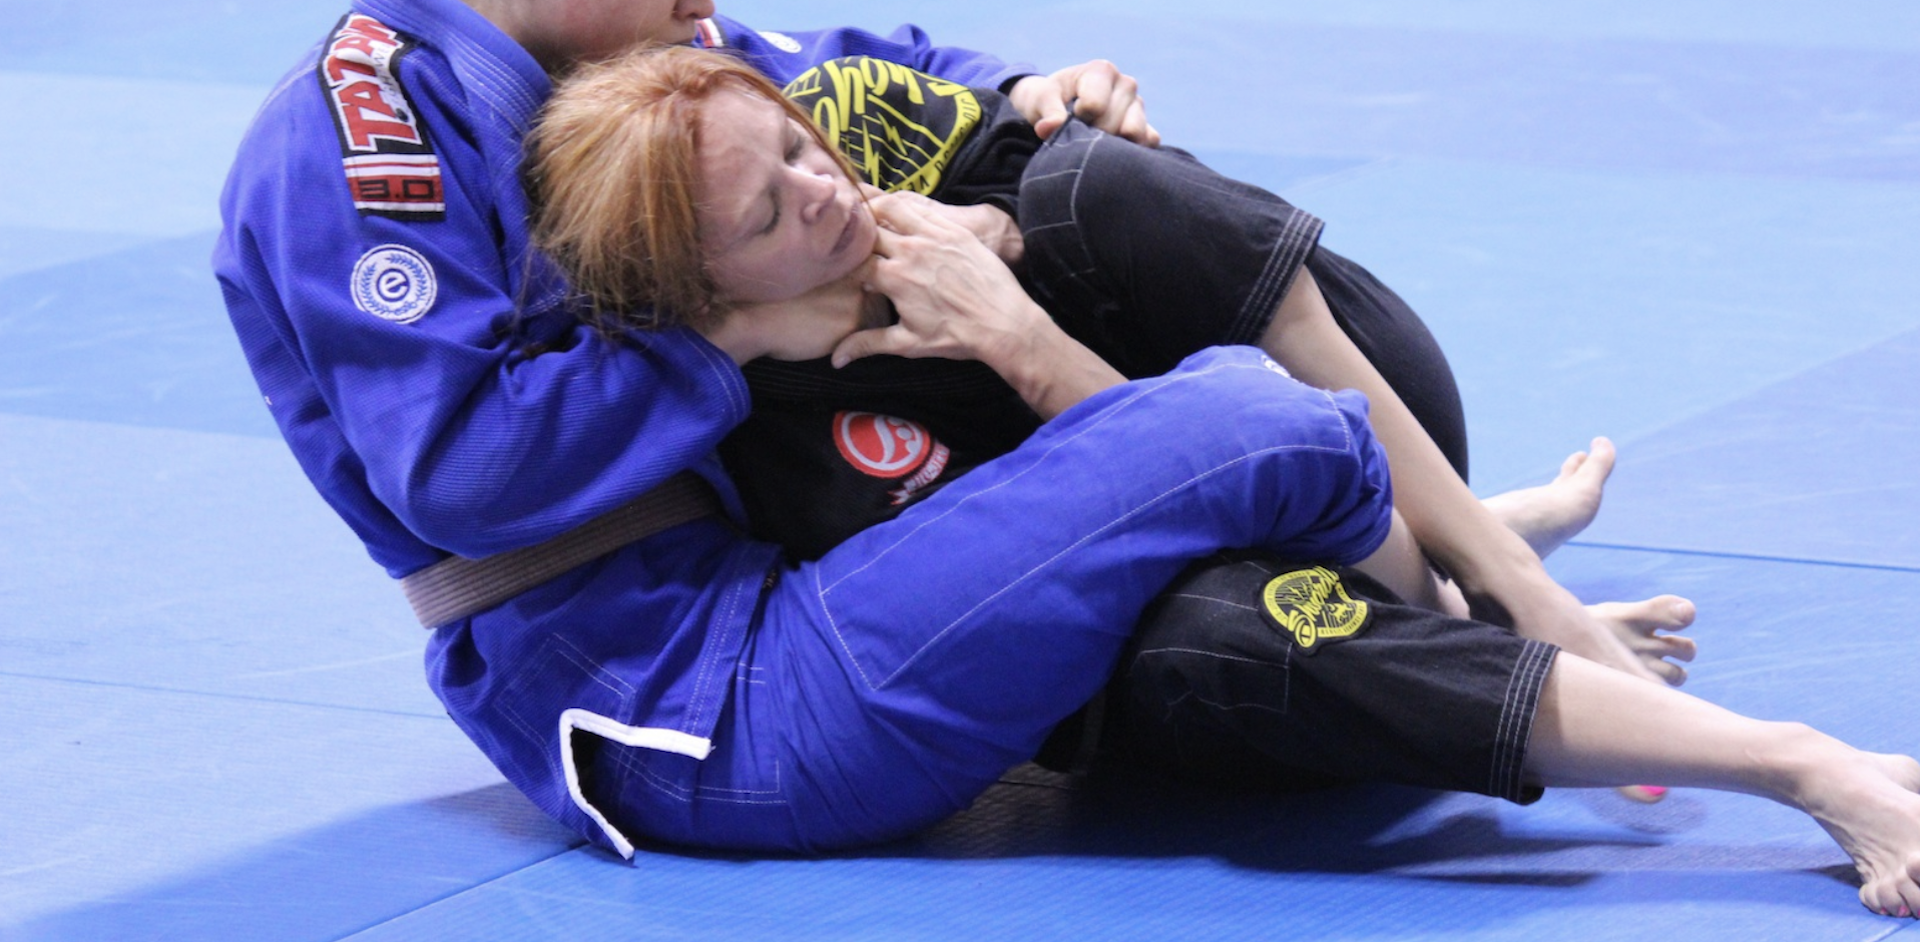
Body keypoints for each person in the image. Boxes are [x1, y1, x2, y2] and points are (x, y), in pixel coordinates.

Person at [213, 0, 1430, 862]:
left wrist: (1025, 90)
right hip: (651, 664)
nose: (699, 1)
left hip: (788, 550)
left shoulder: (602, 53)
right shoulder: (361, 141)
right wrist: (725, 341)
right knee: (1227, 485)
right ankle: (1479, 602)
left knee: (1075, 184)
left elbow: (829, 70)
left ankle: (1421, 548)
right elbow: (461, 474)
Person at [525, 44, 1920, 916]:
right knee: (1231, 624)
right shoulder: (780, 452)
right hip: (1209, 634)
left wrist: (1018, 239)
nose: (821, 190)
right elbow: (1183, 475)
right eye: (769, 212)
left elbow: (1125, 189)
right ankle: (1793, 760)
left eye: (792, 147)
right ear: (704, 299)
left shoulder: (899, 152)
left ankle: (1498, 571)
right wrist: (1027, 354)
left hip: (1354, 424)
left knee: (1099, 191)